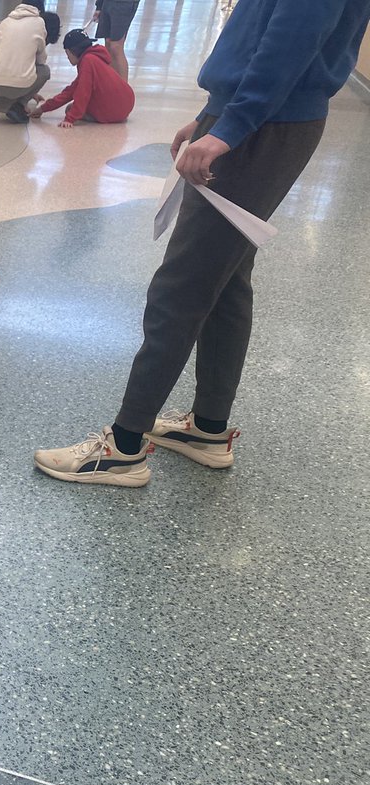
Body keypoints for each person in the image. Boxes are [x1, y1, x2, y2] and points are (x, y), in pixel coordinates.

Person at [34, 0, 370, 487]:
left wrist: (232, 125)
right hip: (259, 117)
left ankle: (125, 448)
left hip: (264, 125)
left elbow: (291, 41)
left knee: (182, 286)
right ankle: (209, 429)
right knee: (227, 278)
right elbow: (261, 32)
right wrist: (212, 114)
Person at [30, 29, 135, 128]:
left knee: (70, 109)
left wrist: (70, 119)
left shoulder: (87, 61)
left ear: (71, 51)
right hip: (127, 103)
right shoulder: (95, 58)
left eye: (67, 54)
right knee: (76, 105)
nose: (67, 57)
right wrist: (43, 108)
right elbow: (71, 91)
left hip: (114, 112)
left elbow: (82, 92)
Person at [0, 2, 51, 124]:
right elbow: (42, 60)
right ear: (40, 9)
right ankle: (19, 106)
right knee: (45, 71)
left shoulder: (6, 21)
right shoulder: (39, 23)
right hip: (22, 87)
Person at [92, 0, 139, 83]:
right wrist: (99, 6)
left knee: (116, 46)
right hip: (107, 3)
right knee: (108, 45)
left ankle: (124, 89)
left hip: (124, 4)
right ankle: (112, 83)